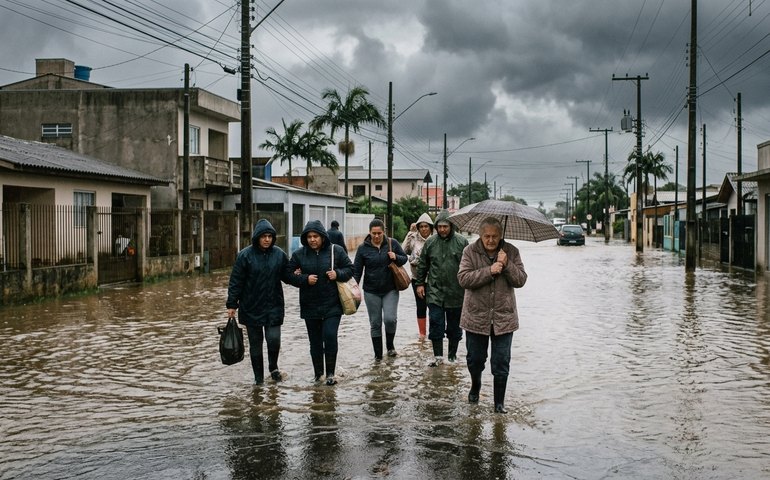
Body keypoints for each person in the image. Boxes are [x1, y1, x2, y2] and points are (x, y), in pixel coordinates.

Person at [457, 217, 527, 414]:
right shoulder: (469, 251)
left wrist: (506, 265)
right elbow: (463, 278)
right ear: (480, 235)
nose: (490, 240)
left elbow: (521, 280)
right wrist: (490, 270)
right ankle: (475, 386)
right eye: (486, 236)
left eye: (495, 236)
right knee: (475, 359)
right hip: (475, 316)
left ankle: (499, 404)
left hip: (504, 318)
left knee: (501, 362)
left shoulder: (511, 252)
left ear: (501, 235)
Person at [287, 220, 354, 386]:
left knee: (330, 336)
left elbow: (351, 269)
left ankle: (330, 374)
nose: (312, 239)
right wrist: (304, 279)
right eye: (309, 236)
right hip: (310, 305)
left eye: (315, 236)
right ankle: (318, 375)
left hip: (332, 304)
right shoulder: (299, 254)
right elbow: (287, 274)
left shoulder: (335, 251)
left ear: (322, 237)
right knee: (315, 341)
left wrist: (337, 273)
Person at [226, 219, 292, 385]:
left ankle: (273, 367)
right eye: (264, 236)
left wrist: (303, 277)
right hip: (251, 307)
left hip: (274, 306)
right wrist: (232, 304)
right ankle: (258, 379)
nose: (267, 239)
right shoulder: (245, 256)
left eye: (270, 236)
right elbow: (236, 281)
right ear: (257, 237)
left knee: (274, 340)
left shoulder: (279, 254)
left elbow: (288, 276)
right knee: (255, 345)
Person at [413, 209, 468, 366]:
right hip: (435, 292)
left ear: (451, 226)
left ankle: (452, 357)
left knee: (454, 327)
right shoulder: (430, 243)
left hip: (456, 292)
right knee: (436, 323)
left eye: (446, 226)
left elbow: (468, 266)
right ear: (436, 227)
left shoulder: (462, 242)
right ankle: (438, 357)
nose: (443, 229)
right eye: (440, 226)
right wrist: (420, 284)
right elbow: (422, 264)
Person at [354, 218, 408, 360]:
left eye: (379, 233)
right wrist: (354, 288)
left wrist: (395, 256)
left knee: (390, 319)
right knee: (375, 323)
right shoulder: (362, 248)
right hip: (371, 291)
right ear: (369, 233)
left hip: (390, 289)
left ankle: (390, 347)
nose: (377, 236)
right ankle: (378, 356)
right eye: (374, 233)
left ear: (384, 232)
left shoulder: (392, 243)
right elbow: (357, 271)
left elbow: (404, 259)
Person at [402, 213, 434, 340]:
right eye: (421, 226)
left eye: (426, 226)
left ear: (431, 227)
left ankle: (434, 332)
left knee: (433, 306)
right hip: (417, 279)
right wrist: (410, 233)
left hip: (433, 279)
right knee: (420, 306)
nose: (424, 229)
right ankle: (422, 334)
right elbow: (403, 251)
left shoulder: (435, 239)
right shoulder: (414, 238)